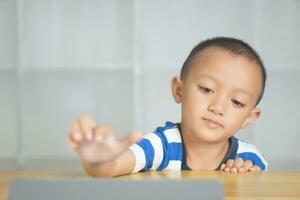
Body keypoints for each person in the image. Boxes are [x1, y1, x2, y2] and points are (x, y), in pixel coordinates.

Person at [68, 37, 268, 177]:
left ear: (249, 117)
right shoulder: (161, 146)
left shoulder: (249, 157)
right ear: (178, 90)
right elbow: (110, 168)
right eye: (207, 89)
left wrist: (246, 174)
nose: (217, 107)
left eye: (236, 102)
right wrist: (97, 160)